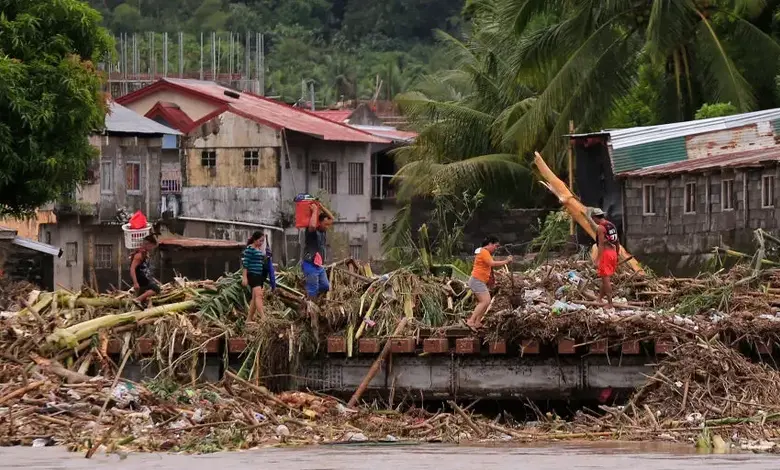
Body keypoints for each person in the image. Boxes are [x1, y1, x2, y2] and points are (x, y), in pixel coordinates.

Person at [465, 236, 512, 330]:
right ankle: (471, 321)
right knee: (485, 301)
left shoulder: (483, 252)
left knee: (486, 302)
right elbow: (492, 263)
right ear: (490, 244)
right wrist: (506, 261)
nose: (496, 248)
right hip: (476, 280)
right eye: (495, 246)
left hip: (478, 281)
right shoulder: (484, 252)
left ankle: (477, 321)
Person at [303, 203, 333, 327]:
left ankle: (309, 298)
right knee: (313, 289)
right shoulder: (311, 232)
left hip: (319, 266)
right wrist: (315, 211)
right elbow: (311, 225)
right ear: (319, 223)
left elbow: (332, 218)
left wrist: (321, 207)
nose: (327, 226)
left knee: (326, 286)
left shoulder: (323, 231)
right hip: (310, 264)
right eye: (325, 224)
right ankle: (311, 311)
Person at [592, 208, 620, 309]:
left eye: (593, 219)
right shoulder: (611, 225)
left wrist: (598, 259)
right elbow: (617, 241)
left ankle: (610, 303)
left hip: (606, 254)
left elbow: (601, 245)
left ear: (595, 218)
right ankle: (599, 298)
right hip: (613, 252)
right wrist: (617, 254)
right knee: (605, 277)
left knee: (606, 279)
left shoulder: (601, 228)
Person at [242, 231, 268, 322]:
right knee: (259, 295)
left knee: (254, 298)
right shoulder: (250, 249)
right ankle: (263, 317)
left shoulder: (258, 249)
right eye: (260, 241)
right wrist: (244, 277)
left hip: (259, 275)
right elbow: (245, 264)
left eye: (263, 241)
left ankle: (248, 319)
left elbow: (260, 261)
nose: (261, 243)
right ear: (255, 239)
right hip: (252, 275)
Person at [130, 234, 160, 309]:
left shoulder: (145, 253)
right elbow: (132, 269)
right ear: (148, 244)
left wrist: (153, 279)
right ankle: (138, 299)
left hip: (144, 279)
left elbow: (146, 268)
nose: (152, 248)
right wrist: (135, 282)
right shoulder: (139, 255)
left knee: (142, 303)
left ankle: (138, 303)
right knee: (156, 289)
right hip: (140, 280)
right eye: (152, 246)